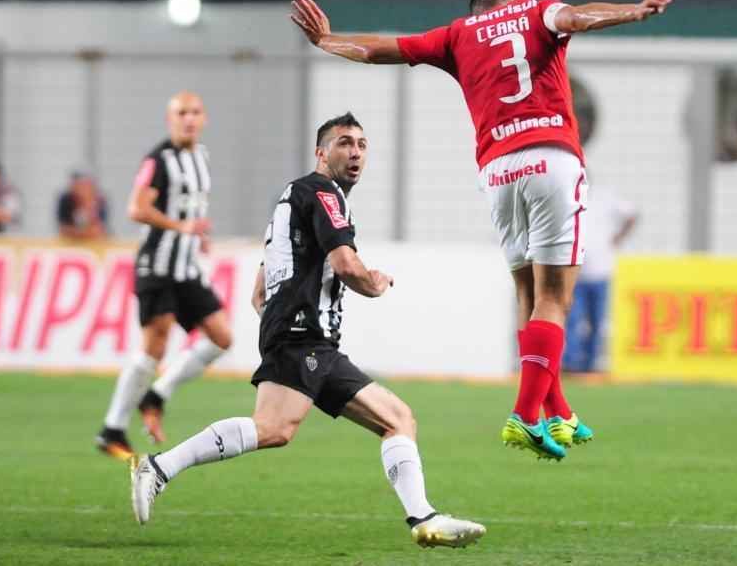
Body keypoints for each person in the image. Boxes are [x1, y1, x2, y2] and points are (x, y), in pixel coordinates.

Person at [290, 0, 673, 461]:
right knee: (555, 298)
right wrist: (633, 11)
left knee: (527, 295)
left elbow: (380, 49)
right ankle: (525, 413)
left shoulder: (457, 35)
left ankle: (558, 410)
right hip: (551, 157)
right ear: (511, 2)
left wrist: (326, 41)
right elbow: (578, 16)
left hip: (498, 171)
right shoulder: (536, 12)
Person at [130, 112, 486, 549]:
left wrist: (285, 317)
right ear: (322, 153)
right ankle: (159, 466)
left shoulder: (292, 197)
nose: (355, 152)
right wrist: (372, 283)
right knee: (275, 428)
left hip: (299, 335)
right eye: (343, 143)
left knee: (394, 419)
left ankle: (424, 518)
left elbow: (259, 290)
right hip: (304, 337)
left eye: (361, 144)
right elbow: (345, 263)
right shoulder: (323, 192)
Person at [95, 91, 233, 460]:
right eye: (181, 113)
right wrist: (180, 227)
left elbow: (191, 209)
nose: (189, 119)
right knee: (153, 347)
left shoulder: (201, 157)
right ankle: (112, 429)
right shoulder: (158, 160)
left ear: (204, 118)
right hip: (157, 264)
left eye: (195, 112)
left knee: (221, 337)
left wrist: (197, 236)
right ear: (170, 119)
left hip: (186, 268)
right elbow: (136, 208)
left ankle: (157, 394)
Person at [563, 181, 637, 373]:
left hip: (601, 271)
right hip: (576, 272)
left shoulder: (606, 196)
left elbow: (631, 214)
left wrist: (619, 237)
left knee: (596, 321)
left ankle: (590, 363)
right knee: (574, 319)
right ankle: (572, 362)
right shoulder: (568, 198)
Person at [56, 170, 109, 240]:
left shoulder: (99, 200)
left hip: (95, 242)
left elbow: (99, 230)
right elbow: (63, 229)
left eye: (85, 186)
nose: (82, 190)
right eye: (79, 186)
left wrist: (89, 205)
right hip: (70, 242)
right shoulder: (66, 200)